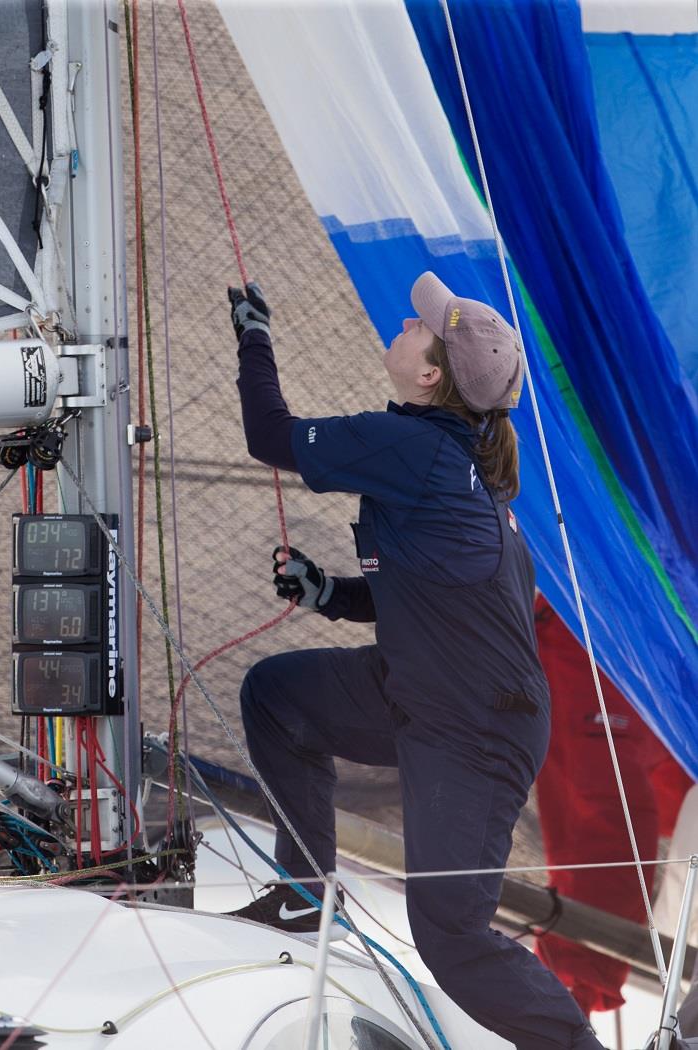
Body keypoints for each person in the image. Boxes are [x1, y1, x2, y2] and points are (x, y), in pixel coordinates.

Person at [226, 272, 604, 1050]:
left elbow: (270, 434)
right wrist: (328, 590)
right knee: (277, 697)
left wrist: (254, 335)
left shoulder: (415, 447)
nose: (404, 319)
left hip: (473, 728)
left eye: (419, 326)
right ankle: (302, 894)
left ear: (431, 376)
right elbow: (421, 593)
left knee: (451, 935)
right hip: (424, 693)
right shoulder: (455, 466)